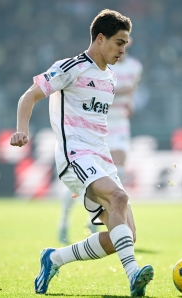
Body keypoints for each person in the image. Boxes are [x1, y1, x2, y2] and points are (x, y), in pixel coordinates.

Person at [10, 9, 154, 297]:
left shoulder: (110, 79)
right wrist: (21, 129)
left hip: (101, 157)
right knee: (119, 197)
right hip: (74, 154)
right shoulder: (70, 67)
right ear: (100, 39)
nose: (123, 50)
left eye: (125, 44)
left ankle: (53, 259)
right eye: (119, 42)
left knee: (125, 236)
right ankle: (133, 275)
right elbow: (29, 95)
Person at [57, 38, 143, 245]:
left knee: (117, 174)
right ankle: (63, 223)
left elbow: (133, 88)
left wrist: (130, 102)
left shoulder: (135, 66)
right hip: (95, 126)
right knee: (82, 181)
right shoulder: (100, 65)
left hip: (120, 124)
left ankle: (92, 219)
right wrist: (118, 93)